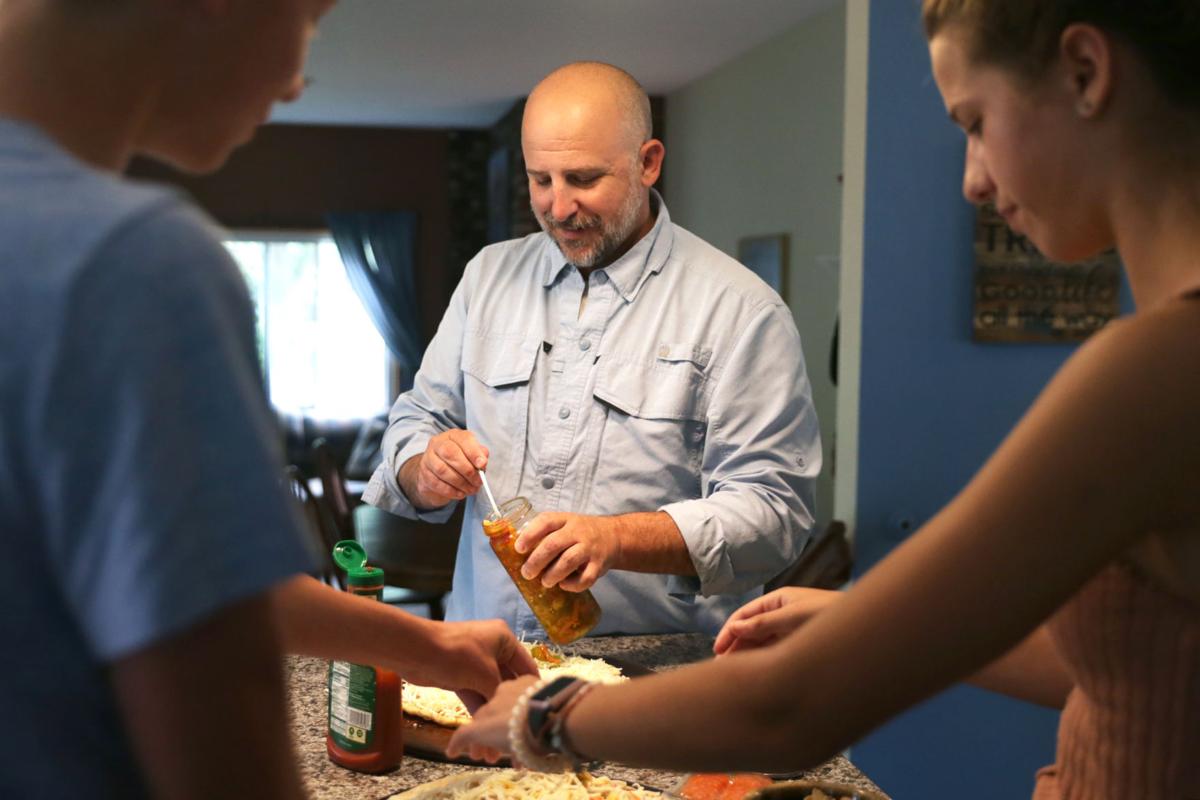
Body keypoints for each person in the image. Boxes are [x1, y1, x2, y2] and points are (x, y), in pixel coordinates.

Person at [446, 3, 1200, 797]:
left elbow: (793, 707)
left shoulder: (1156, 372)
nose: (973, 179)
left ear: (1086, 72)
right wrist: (853, 618)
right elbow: (1107, 661)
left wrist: (547, 718)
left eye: (975, 122)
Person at [0, 2, 533, 798]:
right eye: (311, 16)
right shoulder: (133, 264)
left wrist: (436, 647)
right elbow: (219, 728)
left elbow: (179, 584)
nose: (294, 81)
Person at [364, 61, 822, 638]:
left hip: (655, 683)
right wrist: (421, 467)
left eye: (583, 179)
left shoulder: (742, 311)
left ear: (648, 163)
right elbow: (418, 417)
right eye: (540, 180)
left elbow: (774, 513)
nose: (558, 208)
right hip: (481, 659)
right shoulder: (487, 277)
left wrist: (616, 538)